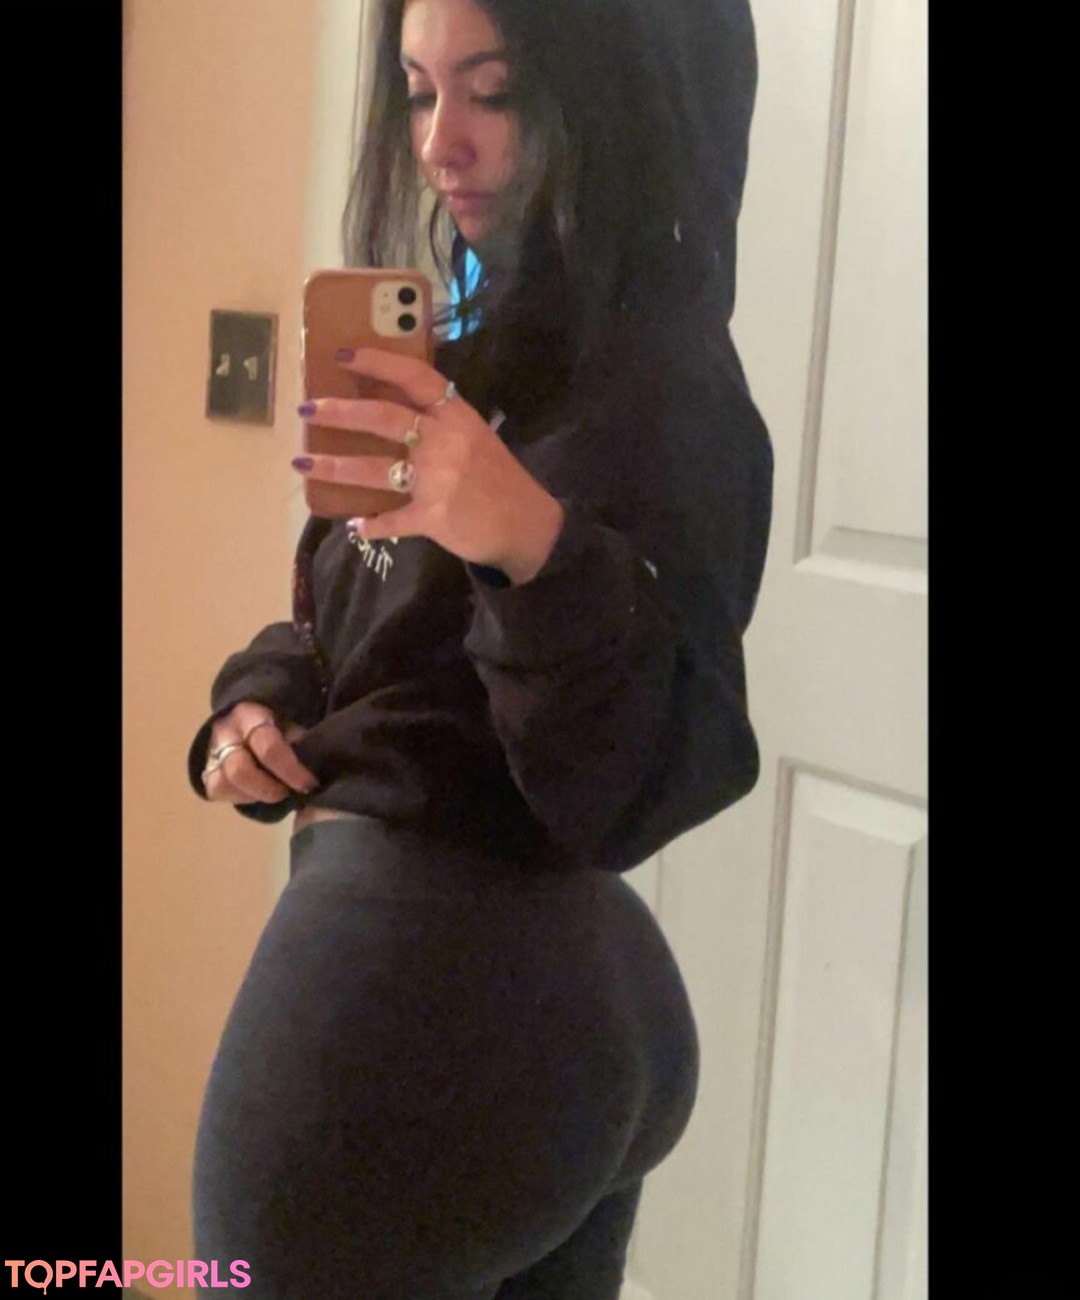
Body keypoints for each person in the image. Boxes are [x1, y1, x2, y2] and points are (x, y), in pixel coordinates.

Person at [188, 0, 771, 1295]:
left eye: (493, 92)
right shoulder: (469, 342)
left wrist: (525, 539)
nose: (439, 142)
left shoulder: (666, 391)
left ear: (609, 97)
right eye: (417, 89)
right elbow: (365, 620)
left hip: (436, 999)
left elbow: (642, 772)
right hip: (502, 1005)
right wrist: (258, 699)